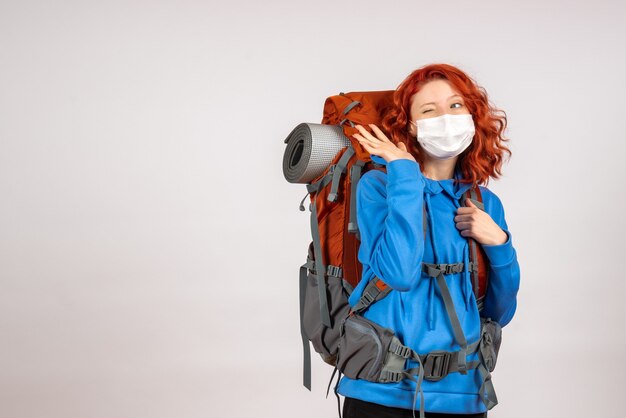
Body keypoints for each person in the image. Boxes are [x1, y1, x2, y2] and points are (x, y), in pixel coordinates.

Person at [336, 63, 521, 417]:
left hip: (465, 393)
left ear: (473, 116)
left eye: (455, 106)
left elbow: (501, 311)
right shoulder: (378, 187)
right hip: (381, 391)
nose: (446, 118)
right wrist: (403, 173)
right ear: (409, 124)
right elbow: (399, 274)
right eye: (428, 110)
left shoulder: (483, 202)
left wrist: (499, 244)